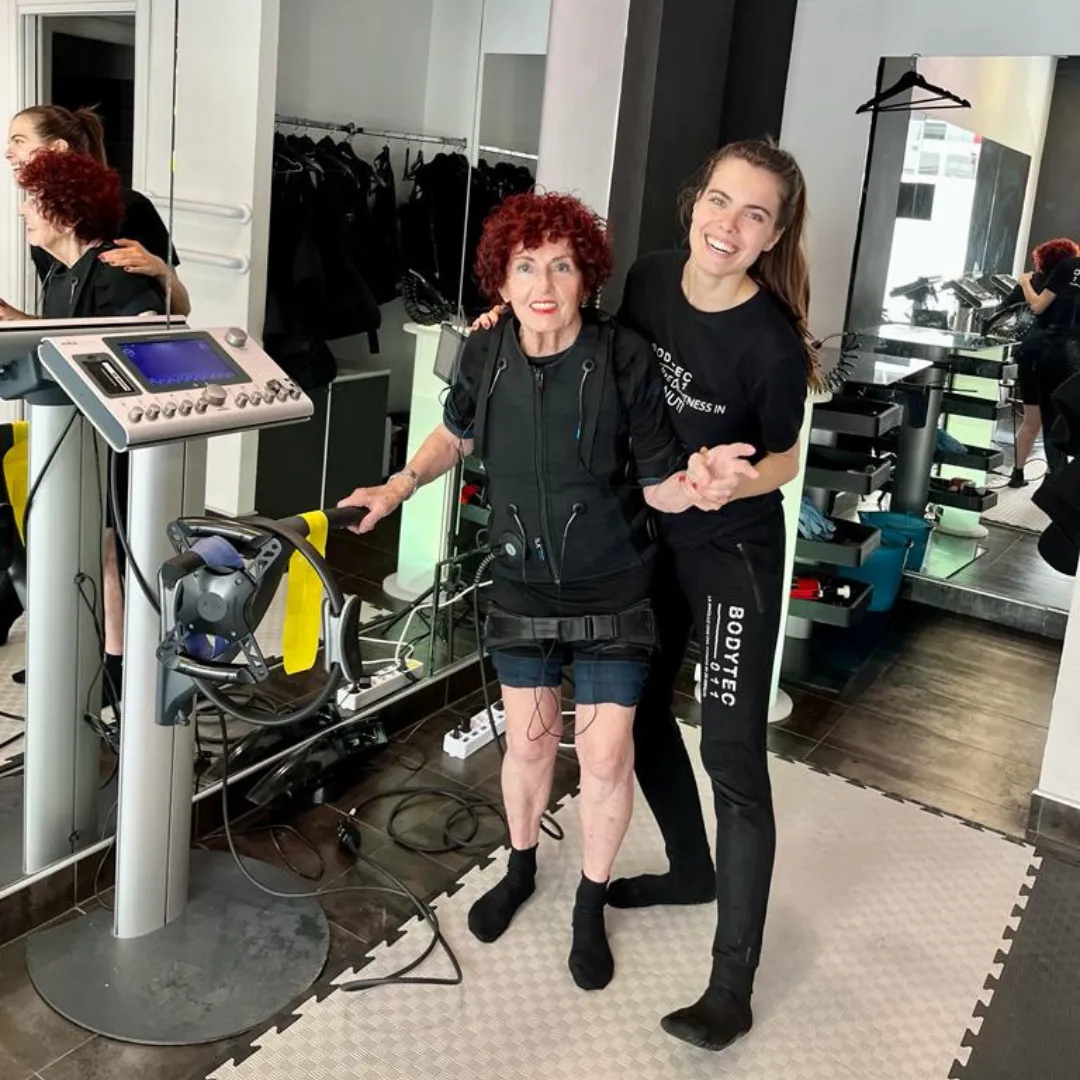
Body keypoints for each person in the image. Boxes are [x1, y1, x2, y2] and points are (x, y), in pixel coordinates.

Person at [338, 191, 753, 991]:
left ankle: (589, 901)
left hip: (616, 587)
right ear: (502, 279)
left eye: (562, 266)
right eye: (526, 266)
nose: (544, 284)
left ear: (586, 278)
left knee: (605, 754)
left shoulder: (625, 357)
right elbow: (455, 434)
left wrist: (698, 486)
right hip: (523, 586)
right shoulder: (484, 351)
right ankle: (522, 865)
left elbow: (659, 483)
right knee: (528, 744)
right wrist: (397, 486)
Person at [471, 138, 817, 1050]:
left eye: (754, 214)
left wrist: (733, 481)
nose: (729, 225)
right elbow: (594, 345)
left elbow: (784, 458)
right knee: (638, 712)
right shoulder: (654, 280)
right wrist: (503, 317)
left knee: (733, 755)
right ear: (695, 200)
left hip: (730, 548)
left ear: (773, 235)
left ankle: (731, 986)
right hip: (647, 532)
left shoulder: (771, 344)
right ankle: (691, 869)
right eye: (720, 200)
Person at [13, 149, 166, 699]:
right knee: (85, 547)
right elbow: (66, 342)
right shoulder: (61, 275)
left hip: (119, 443)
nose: (23, 211)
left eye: (33, 202)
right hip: (78, 438)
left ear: (67, 211)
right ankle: (89, 654)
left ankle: (117, 669)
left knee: (106, 549)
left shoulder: (116, 270)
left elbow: (146, 343)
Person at [2, 104, 190, 319]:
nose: (8, 153)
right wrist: (17, 318)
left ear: (57, 147)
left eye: (19, 141)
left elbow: (178, 312)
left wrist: (161, 271)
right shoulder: (43, 231)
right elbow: (68, 321)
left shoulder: (131, 208)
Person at [1001, 239, 1080, 486]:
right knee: (1059, 417)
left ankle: (1020, 474)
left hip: (1038, 351)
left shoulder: (1041, 279)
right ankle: (1057, 477)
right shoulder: (1069, 276)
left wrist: (1024, 282)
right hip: (1067, 353)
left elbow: (1014, 310)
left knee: (1034, 418)